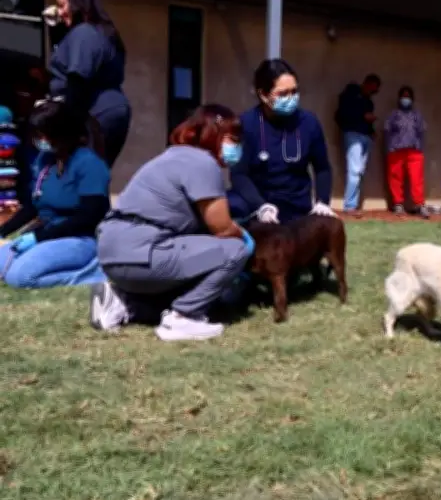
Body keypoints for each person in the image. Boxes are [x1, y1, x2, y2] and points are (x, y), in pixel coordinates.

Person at [91, 104, 255, 341]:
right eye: (233, 140)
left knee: (197, 270)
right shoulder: (203, 163)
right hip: (144, 252)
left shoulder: (170, 156)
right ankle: (184, 317)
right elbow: (222, 228)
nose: (237, 148)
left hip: (112, 253)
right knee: (234, 250)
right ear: (214, 135)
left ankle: (123, 302)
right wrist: (244, 235)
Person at [0, 100, 110, 288]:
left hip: (77, 239)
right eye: (37, 135)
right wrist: (3, 231)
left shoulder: (89, 164)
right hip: (47, 235)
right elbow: (33, 205)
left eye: (44, 135)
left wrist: (39, 237)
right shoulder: (45, 160)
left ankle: (94, 273)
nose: (40, 140)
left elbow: (90, 216)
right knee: (4, 267)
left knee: (21, 277)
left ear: (62, 134)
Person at [228, 59, 335, 225]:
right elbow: (238, 174)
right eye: (283, 94)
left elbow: (322, 168)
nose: (290, 98)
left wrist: (323, 201)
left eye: (294, 91)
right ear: (263, 95)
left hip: (298, 208)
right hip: (261, 209)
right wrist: (260, 206)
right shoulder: (246, 124)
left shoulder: (309, 122)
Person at [47, 0, 131, 167]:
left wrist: (68, 128)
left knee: (79, 172)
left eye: (62, 6)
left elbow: (78, 80)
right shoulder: (101, 34)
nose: (59, 12)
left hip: (92, 114)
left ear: (78, 3)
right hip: (109, 111)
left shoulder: (83, 33)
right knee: (94, 171)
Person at [336, 73, 381, 216]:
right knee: (354, 171)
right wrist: (362, 116)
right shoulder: (350, 95)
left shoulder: (369, 102)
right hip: (353, 134)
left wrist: (371, 131)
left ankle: (353, 204)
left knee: (359, 172)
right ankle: (349, 206)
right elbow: (342, 115)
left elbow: (366, 120)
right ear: (367, 83)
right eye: (372, 87)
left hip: (365, 136)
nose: (373, 91)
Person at [384, 86, 428, 218]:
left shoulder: (417, 115)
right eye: (403, 96)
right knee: (395, 177)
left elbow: (422, 131)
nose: (405, 99)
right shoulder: (393, 115)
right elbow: (387, 131)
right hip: (396, 150)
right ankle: (398, 204)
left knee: (417, 178)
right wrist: (390, 148)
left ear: (412, 99)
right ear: (399, 98)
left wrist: (419, 148)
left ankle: (419, 204)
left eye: (408, 96)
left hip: (414, 151)